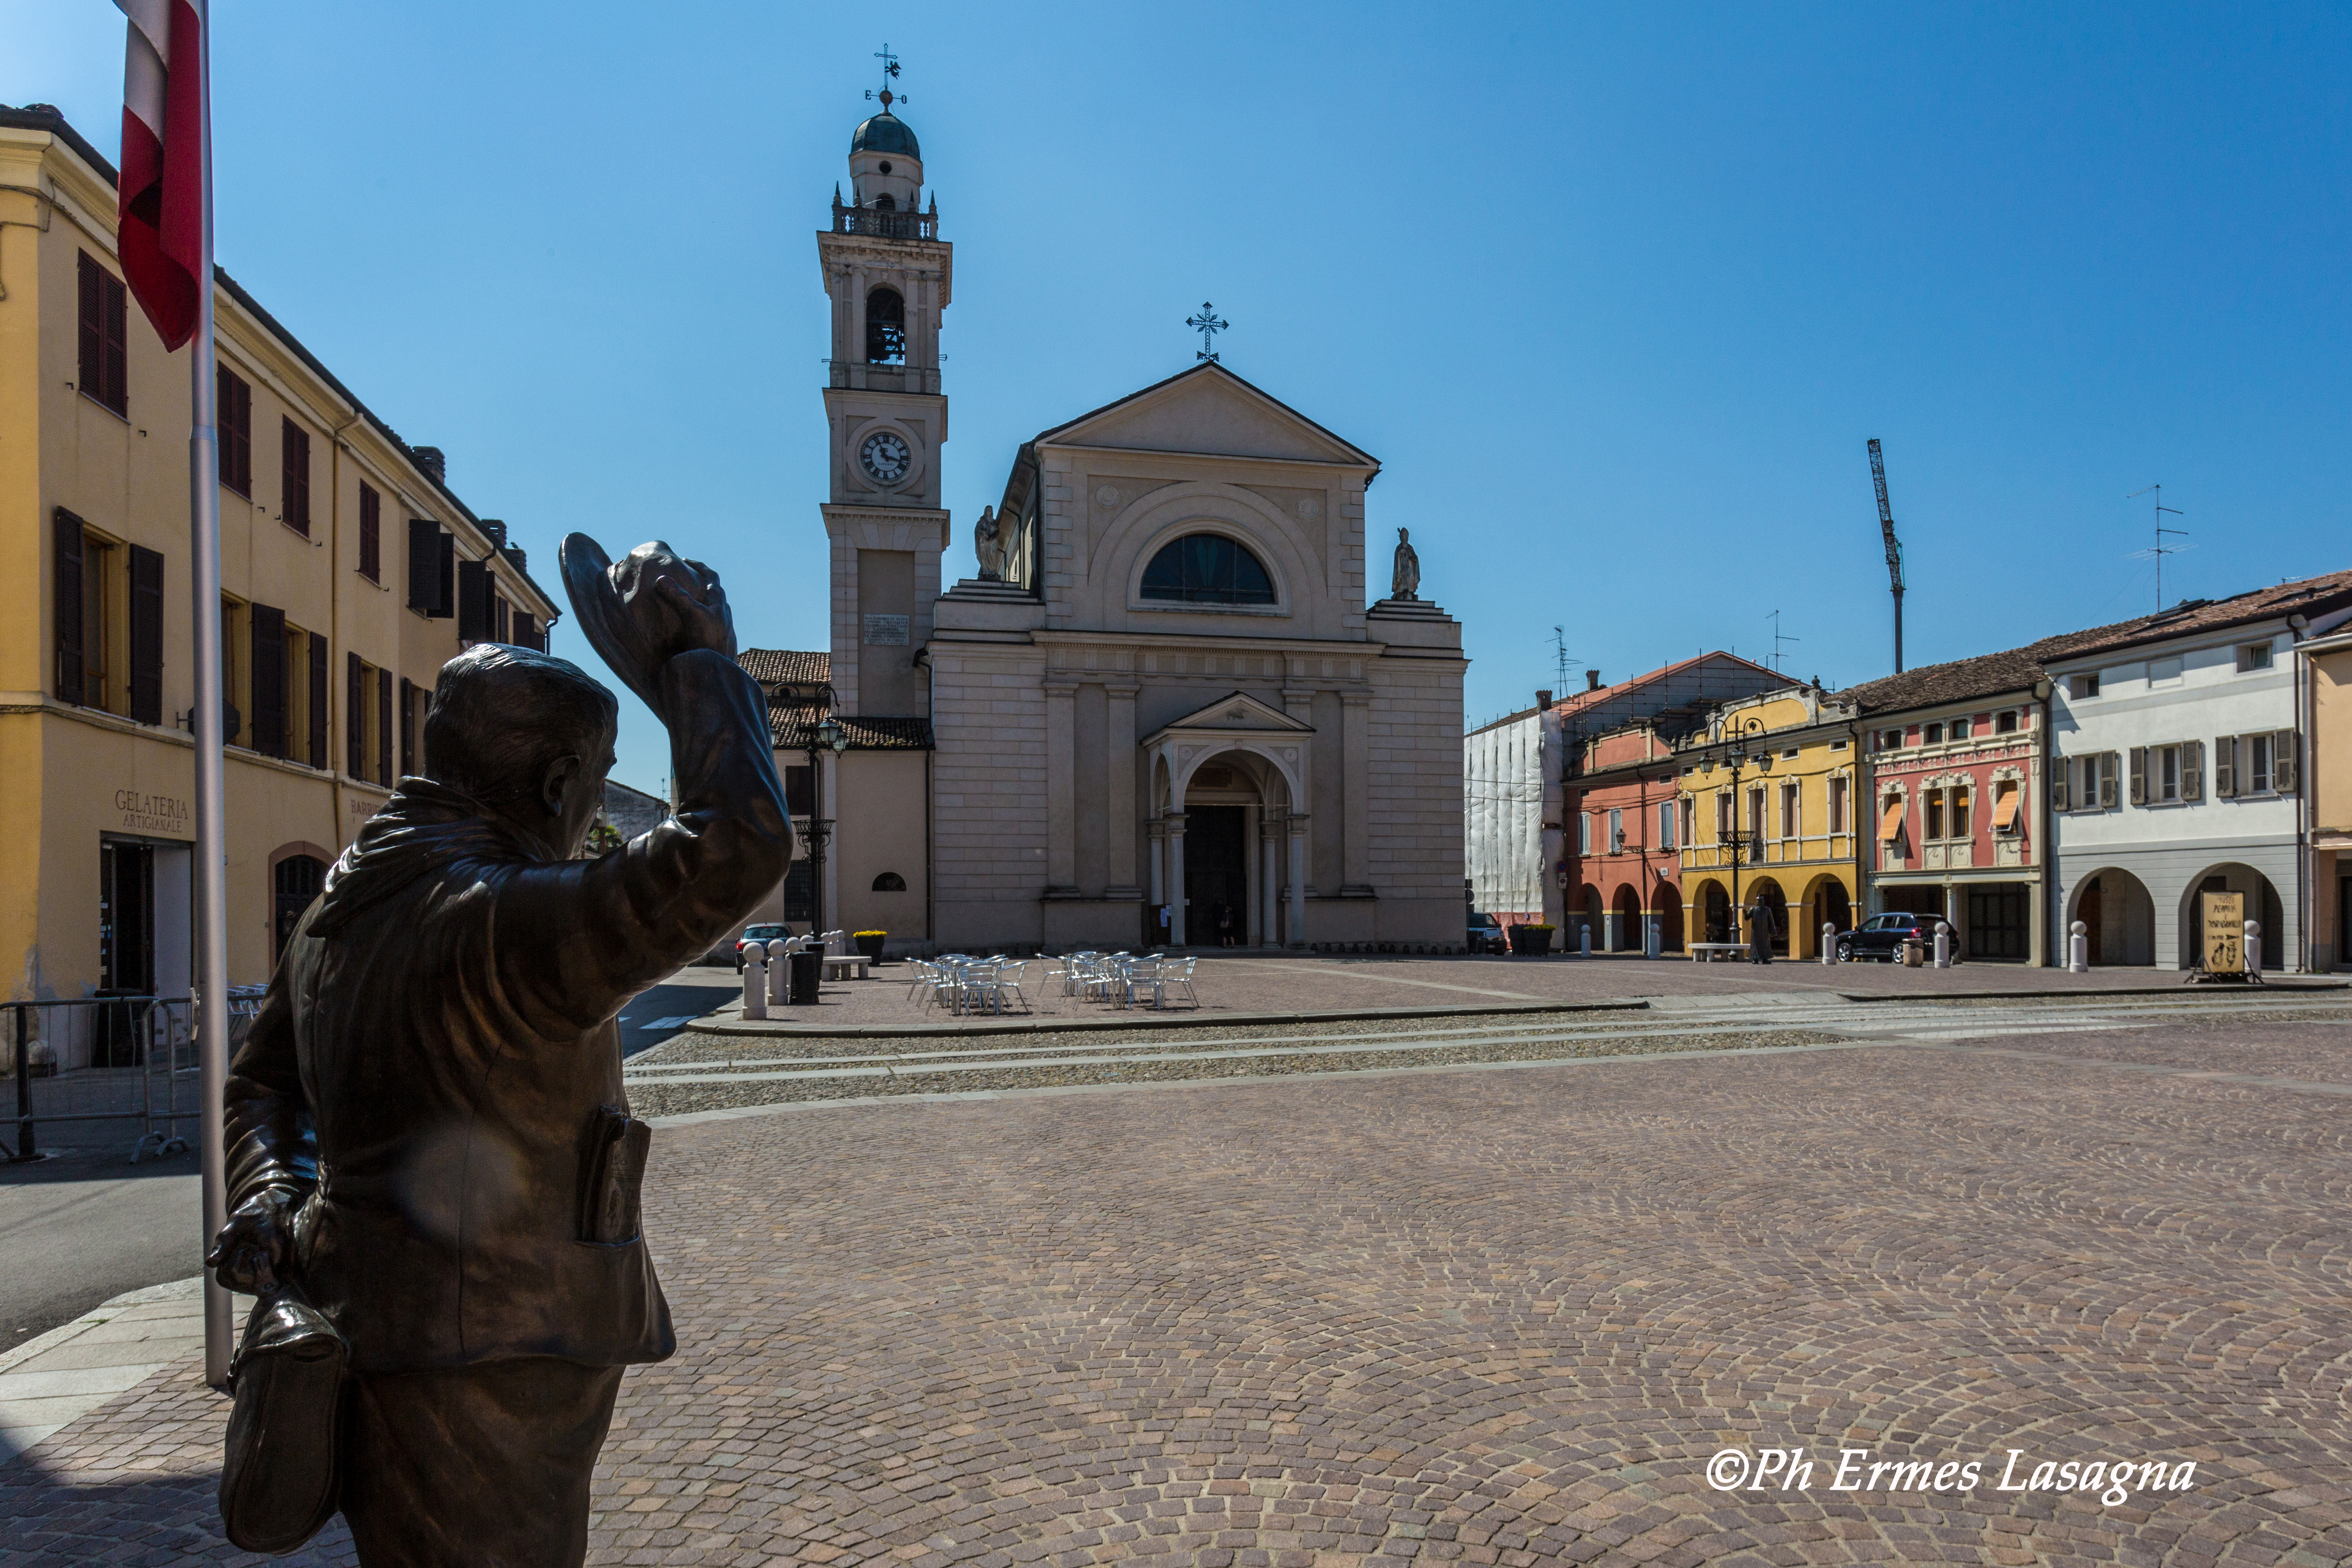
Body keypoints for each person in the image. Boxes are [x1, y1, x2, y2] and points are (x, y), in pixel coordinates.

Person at [209, 543, 790, 1566]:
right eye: (597, 782)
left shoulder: (342, 907)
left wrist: (267, 1194)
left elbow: (262, 1082)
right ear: (559, 780)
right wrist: (703, 671)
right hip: (499, 1347)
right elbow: (734, 846)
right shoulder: (503, 920)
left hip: (378, 1327)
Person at [1748, 896, 1775, 965]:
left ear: (1764, 901)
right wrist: (1745, 914)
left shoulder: (1767, 910)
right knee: (1755, 945)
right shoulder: (1753, 910)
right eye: (1758, 901)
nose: (1760, 902)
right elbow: (1747, 918)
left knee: (1765, 945)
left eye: (1761, 901)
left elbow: (1772, 921)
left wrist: (1774, 929)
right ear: (1757, 902)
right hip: (1755, 931)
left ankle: (1765, 959)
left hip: (1764, 931)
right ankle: (1755, 959)